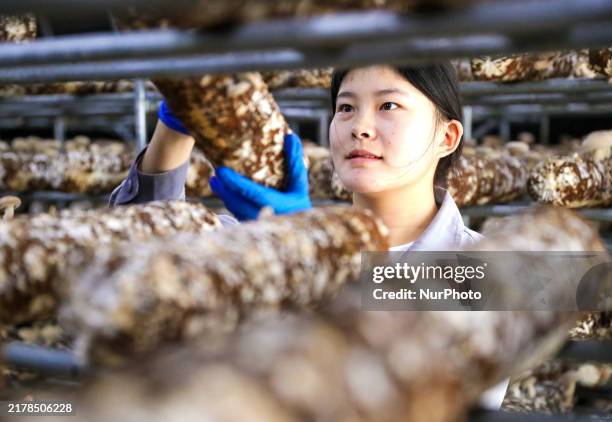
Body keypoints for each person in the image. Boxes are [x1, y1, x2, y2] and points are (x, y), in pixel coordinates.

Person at [109, 63, 507, 408]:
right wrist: (177, 127)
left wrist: (310, 258)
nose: (360, 128)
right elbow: (127, 264)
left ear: (447, 137)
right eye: (346, 107)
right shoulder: (278, 237)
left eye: (389, 106)